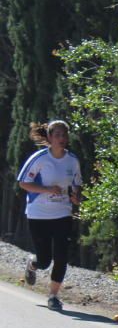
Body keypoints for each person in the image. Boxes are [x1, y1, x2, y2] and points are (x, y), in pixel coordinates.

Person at [17, 120, 82, 311]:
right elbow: (23, 182)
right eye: (58, 135)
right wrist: (46, 189)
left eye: (64, 135)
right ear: (49, 138)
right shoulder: (40, 159)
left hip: (62, 213)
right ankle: (33, 263)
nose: (62, 139)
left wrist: (76, 196)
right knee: (45, 260)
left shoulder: (72, 160)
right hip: (38, 214)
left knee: (61, 256)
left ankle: (53, 296)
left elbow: (77, 183)